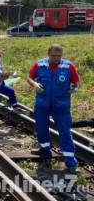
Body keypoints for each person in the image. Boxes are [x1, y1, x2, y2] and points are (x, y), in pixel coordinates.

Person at [26, 44, 79, 172]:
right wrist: (34, 84)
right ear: (48, 54)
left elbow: (76, 82)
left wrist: (74, 88)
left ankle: (70, 161)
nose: (56, 58)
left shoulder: (68, 66)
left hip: (61, 106)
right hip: (42, 105)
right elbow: (29, 77)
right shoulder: (39, 64)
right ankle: (44, 150)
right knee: (41, 128)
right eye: (53, 56)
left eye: (59, 56)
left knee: (65, 132)